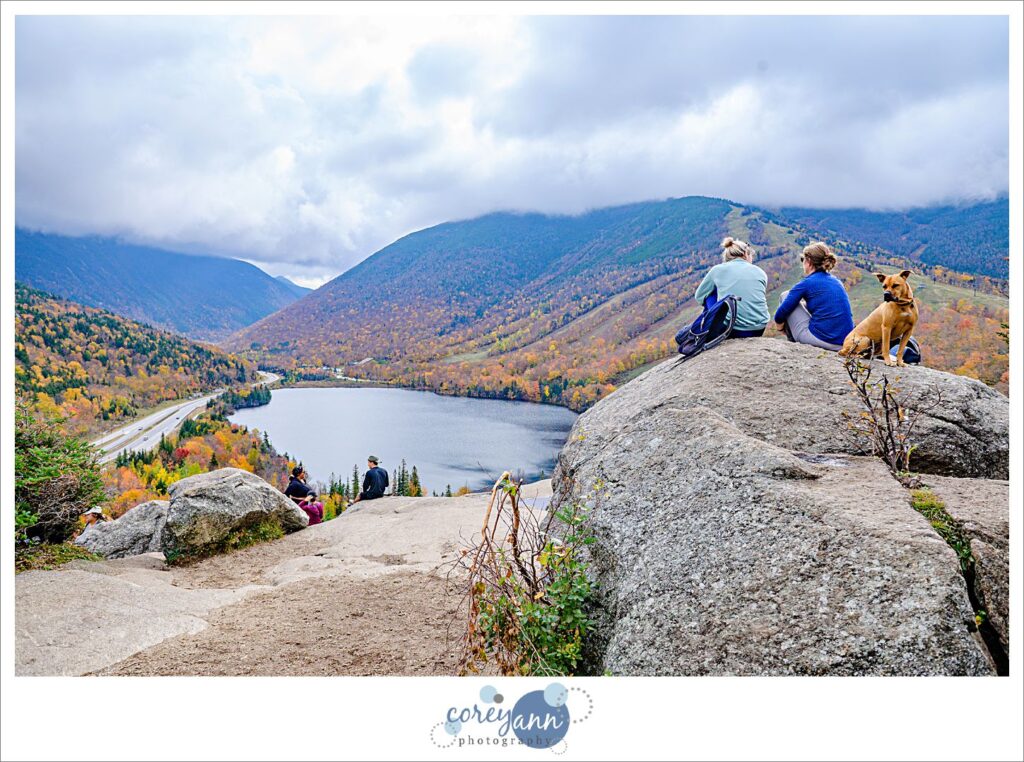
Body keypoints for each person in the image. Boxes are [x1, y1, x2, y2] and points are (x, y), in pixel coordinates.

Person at [773, 242, 855, 351]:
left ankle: (792, 346)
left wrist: (780, 328)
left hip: (825, 341)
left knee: (785, 295)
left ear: (809, 261)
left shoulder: (807, 283)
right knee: (799, 304)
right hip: (845, 342)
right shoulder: (836, 281)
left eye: (802, 259)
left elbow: (780, 314)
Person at [693, 237, 770, 338]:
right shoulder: (760, 272)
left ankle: (707, 331)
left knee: (710, 293)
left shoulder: (717, 270)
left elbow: (699, 297)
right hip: (758, 329)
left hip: (732, 330)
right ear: (745, 254)